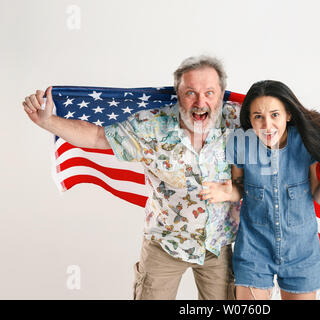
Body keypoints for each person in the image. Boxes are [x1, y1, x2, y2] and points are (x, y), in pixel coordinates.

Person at [22, 55, 241, 300]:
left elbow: (277, 122)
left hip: (217, 246)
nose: (200, 102)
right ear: (178, 94)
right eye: (191, 93)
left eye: (209, 92)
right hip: (164, 243)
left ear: (222, 93)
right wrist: (49, 121)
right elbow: (97, 137)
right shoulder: (152, 125)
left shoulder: (238, 120)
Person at [200, 80, 320, 300]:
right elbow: (239, 188)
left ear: (288, 115)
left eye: (274, 115)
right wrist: (229, 193)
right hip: (253, 250)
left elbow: (319, 199)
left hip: (302, 252)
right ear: (250, 119)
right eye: (258, 116)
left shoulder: (304, 143)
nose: (267, 124)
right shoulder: (241, 144)